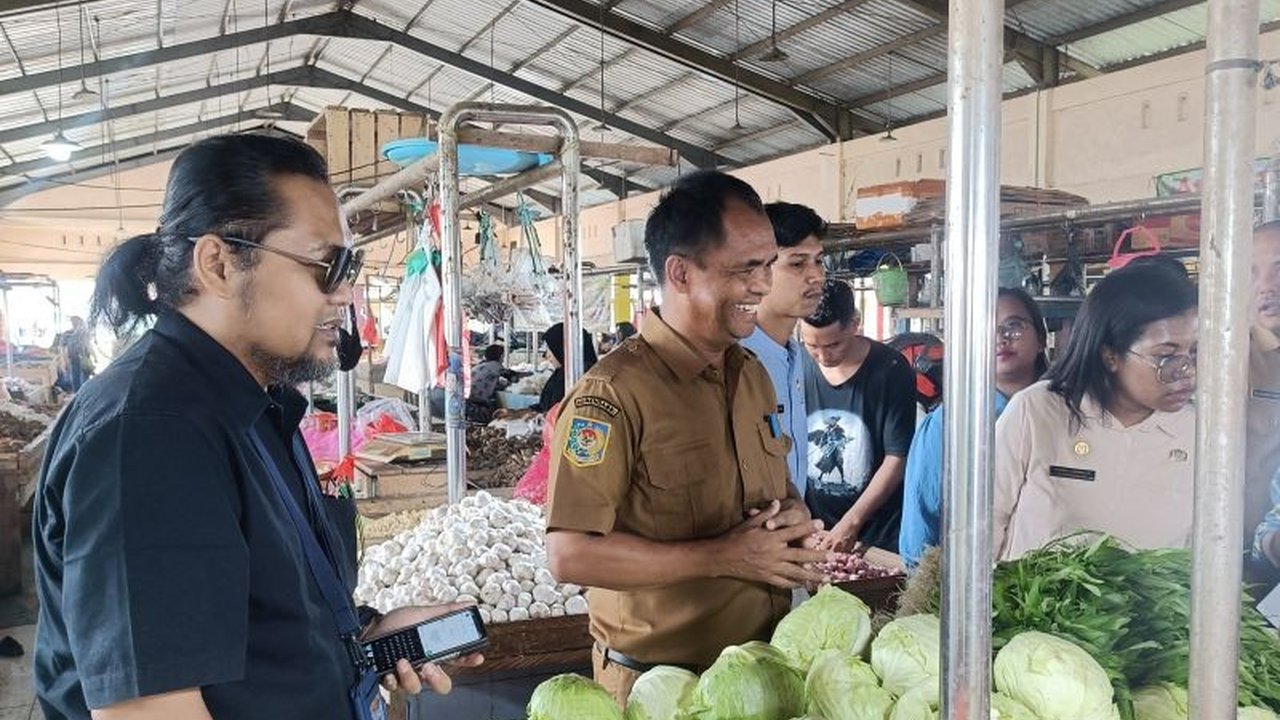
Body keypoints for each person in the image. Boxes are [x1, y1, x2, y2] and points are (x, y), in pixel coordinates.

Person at [31, 134, 480, 720]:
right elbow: (148, 710)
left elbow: (255, 626)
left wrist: (362, 640)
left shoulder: (252, 404)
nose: (345, 293)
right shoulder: (151, 433)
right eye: (326, 265)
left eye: (351, 266)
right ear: (218, 264)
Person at [544, 171, 828, 704]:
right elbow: (569, 555)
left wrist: (791, 514)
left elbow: (774, 488)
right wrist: (723, 557)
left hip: (762, 674)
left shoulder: (751, 375)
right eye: (745, 269)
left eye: (768, 265)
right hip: (660, 689)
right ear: (680, 273)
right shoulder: (612, 396)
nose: (763, 285)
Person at [992, 257, 1198, 560]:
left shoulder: (1199, 432)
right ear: (1111, 355)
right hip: (1031, 591)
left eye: (1194, 353)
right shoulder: (1037, 411)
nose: (1186, 372)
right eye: (1165, 357)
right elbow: (983, 525)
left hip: (1151, 595)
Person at [898, 288, 1049, 568]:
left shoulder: (1063, 416)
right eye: (986, 329)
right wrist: (924, 581)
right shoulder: (950, 424)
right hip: (972, 577)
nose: (1000, 337)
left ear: (1041, 339)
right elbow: (922, 517)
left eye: (1013, 326)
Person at [799, 279, 918, 553]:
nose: (822, 356)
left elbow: (897, 457)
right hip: (816, 529)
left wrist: (852, 522)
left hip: (878, 533)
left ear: (855, 323)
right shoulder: (797, 362)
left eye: (833, 345)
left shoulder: (891, 369)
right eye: (811, 345)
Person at [740, 201, 827, 495]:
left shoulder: (795, 356)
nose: (817, 276)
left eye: (819, 261)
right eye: (797, 263)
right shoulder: (737, 362)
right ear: (758, 271)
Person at [1248, 222, 1280, 558]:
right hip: (1233, 558)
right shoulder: (1222, 362)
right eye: (1251, 273)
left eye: (1279, 270)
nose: (1266, 287)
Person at [532, 322, 598, 412]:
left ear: (562, 347)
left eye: (550, 349)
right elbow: (546, 407)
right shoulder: (561, 374)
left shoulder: (583, 378)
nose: (547, 355)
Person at [467, 343, 509, 423]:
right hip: (480, 405)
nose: (503, 359)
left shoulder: (479, 366)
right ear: (500, 356)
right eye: (503, 356)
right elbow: (512, 376)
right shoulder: (495, 366)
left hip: (468, 402)